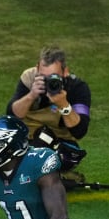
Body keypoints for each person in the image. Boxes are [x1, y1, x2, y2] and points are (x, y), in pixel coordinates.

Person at [7, 43, 91, 187]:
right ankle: (49, 176)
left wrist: (64, 105)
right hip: (28, 137)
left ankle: (39, 174)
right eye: (43, 76)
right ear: (37, 68)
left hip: (59, 142)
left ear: (65, 72)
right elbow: (11, 116)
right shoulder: (29, 78)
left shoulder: (77, 88)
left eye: (53, 77)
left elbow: (80, 131)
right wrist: (31, 95)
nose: (48, 82)